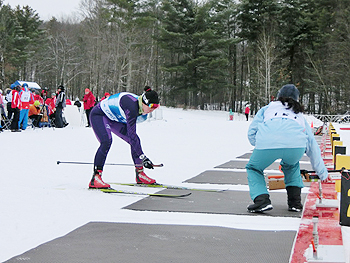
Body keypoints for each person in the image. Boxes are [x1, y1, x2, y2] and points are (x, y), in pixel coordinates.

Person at [245, 84, 329, 213]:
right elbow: (311, 143)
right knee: (292, 165)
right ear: (297, 99)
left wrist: (261, 143)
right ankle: (295, 203)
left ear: (278, 96)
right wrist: (322, 172)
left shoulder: (267, 109)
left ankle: (262, 201)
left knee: (253, 168)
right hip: (295, 146)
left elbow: (252, 132)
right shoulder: (298, 114)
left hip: (267, 143)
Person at [88, 86, 160, 189]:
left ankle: (140, 174)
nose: (152, 110)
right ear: (144, 102)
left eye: (156, 107)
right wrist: (143, 157)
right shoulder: (131, 106)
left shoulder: (141, 110)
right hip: (99, 114)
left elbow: (133, 136)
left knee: (135, 140)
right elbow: (131, 133)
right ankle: (95, 178)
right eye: (152, 106)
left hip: (114, 118)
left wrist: (142, 157)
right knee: (106, 141)